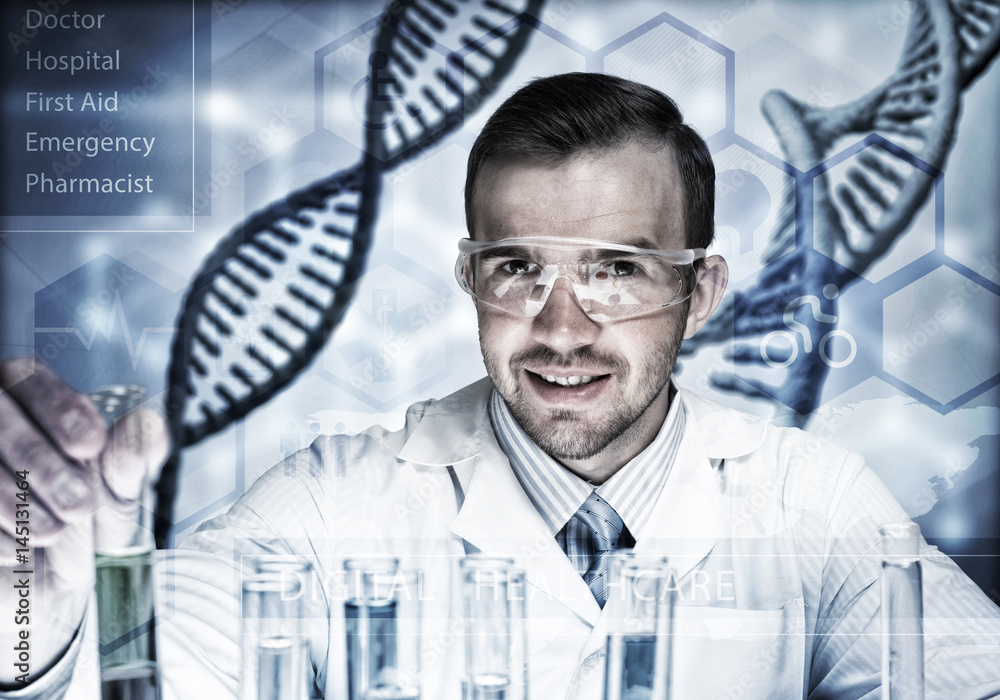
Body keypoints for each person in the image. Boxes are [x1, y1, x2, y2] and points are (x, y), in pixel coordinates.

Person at [1, 72, 999, 699]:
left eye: (616, 269)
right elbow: (152, 672)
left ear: (699, 293)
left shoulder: (812, 500)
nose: (562, 328)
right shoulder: (330, 501)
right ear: (469, 278)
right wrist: (35, 624)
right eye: (519, 268)